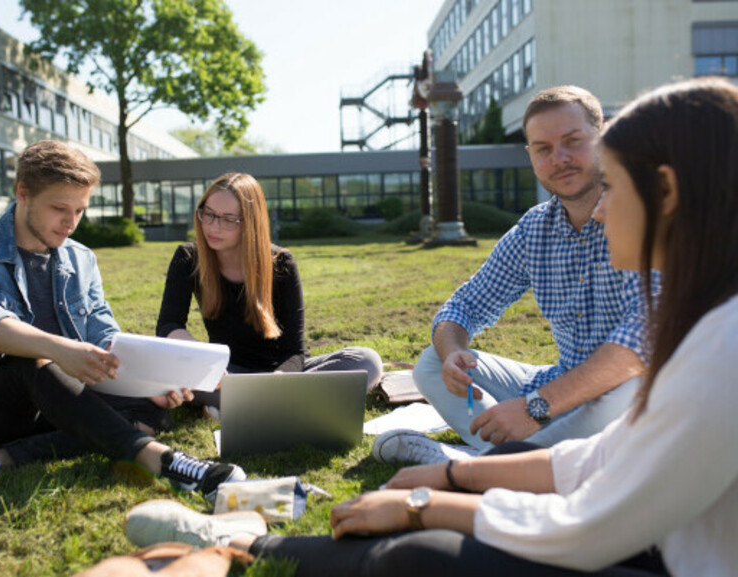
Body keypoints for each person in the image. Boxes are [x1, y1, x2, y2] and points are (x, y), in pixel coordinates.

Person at [124, 77, 738, 576]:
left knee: (420, 548)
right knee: (430, 387)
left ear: (667, 192)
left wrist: (428, 503)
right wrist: (452, 472)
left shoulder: (717, 345)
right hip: (595, 454)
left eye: (614, 182)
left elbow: (592, 522)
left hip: (634, 505)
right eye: (543, 148)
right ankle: (238, 539)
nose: (601, 204)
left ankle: (235, 545)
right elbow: (592, 458)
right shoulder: (696, 310)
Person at [374, 85, 653, 465]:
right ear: (531, 155)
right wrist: (454, 352)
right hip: (560, 386)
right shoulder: (534, 229)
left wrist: (533, 409)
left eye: (573, 141)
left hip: (626, 394)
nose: (560, 158)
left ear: (603, 138)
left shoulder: (640, 213)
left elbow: (637, 347)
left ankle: (485, 463)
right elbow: (465, 305)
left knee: (630, 388)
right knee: (432, 363)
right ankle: (508, 459)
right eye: (543, 149)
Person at [0, 140, 244, 499]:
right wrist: (62, 350)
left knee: (153, 408)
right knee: (32, 358)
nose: (71, 223)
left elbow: (104, 334)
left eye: (80, 211)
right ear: (23, 194)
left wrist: (150, 383)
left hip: (65, 401)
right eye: (60, 209)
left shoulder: (80, 259)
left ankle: (0, 459)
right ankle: (161, 460)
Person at [155, 172, 382, 411]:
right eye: (208, 214)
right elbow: (168, 325)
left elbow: (295, 351)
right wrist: (203, 358)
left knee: (367, 361)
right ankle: (280, 406)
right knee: (165, 372)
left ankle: (257, 404)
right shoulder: (188, 258)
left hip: (280, 374)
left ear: (250, 222)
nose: (213, 226)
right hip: (224, 375)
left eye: (228, 219)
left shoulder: (281, 263)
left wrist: (278, 381)